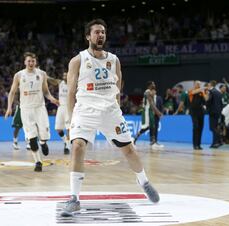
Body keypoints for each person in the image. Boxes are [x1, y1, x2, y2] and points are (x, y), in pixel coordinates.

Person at [62, 19, 159, 217]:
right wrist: (72, 121)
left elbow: (118, 87)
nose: (100, 35)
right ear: (88, 36)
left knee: (130, 150)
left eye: (103, 32)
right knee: (78, 147)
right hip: (85, 110)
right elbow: (71, 93)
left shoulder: (114, 60)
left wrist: (116, 107)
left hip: (110, 111)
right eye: (96, 32)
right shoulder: (77, 60)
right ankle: (74, 198)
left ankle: (144, 181)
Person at [5, 52, 59, 172]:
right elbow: (12, 92)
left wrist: (52, 99)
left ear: (36, 62)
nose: (31, 63)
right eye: (28, 61)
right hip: (26, 109)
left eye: (33, 61)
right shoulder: (19, 75)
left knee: (44, 135)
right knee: (31, 137)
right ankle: (38, 162)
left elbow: (46, 91)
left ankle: (43, 143)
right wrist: (9, 107)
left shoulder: (42, 74)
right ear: (25, 62)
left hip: (40, 108)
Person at [133, 81, 163, 150]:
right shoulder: (147, 92)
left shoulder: (150, 93)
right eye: (153, 84)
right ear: (149, 85)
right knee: (146, 127)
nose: (154, 85)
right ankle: (134, 139)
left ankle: (153, 142)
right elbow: (152, 104)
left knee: (152, 126)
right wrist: (158, 113)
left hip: (150, 112)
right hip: (147, 112)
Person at [54, 72, 71, 155]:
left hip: (69, 107)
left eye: (66, 75)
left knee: (68, 128)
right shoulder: (60, 83)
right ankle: (65, 141)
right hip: (60, 107)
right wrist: (45, 76)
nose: (65, 76)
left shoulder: (73, 83)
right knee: (58, 129)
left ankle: (67, 146)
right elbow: (52, 80)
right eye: (64, 75)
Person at [188, 81, 208, 150]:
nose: (198, 85)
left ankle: (199, 145)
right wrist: (203, 88)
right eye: (197, 84)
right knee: (195, 127)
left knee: (200, 127)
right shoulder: (191, 91)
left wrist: (206, 93)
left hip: (201, 112)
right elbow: (193, 92)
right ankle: (195, 144)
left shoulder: (201, 92)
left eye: (199, 84)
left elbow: (205, 100)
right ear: (194, 85)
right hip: (193, 111)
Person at [206, 80, 223, 148]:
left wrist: (205, 104)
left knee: (212, 128)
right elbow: (221, 104)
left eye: (208, 84)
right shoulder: (219, 92)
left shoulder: (211, 92)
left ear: (210, 85)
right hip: (218, 112)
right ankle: (217, 142)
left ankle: (217, 142)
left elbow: (209, 101)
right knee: (215, 127)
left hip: (212, 112)